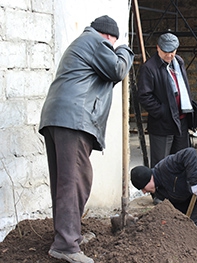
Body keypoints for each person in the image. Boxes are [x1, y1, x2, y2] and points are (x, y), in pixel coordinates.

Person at [39, 15, 134, 263]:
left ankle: (69, 236)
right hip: (72, 119)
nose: (112, 48)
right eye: (113, 44)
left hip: (59, 118)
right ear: (109, 37)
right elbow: (117, 69)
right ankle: (66, 246)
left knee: (66, 182)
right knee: (75, 182)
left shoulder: (83, 44)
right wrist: (125, 50)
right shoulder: (94, 41)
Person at [137, 33, 196, 204]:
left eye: (173, 51)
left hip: (181, 120)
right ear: (158, 48)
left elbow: (183, 86)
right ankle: (160, 197)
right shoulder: (150, 68)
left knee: (180, 159)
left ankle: (178, 195)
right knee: (161, 162)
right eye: (166, 51)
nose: (170, 55)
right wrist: (162, 111)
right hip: (162, 124)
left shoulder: (179, 62)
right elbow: (145, 96)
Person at [130, 147, 197, 230]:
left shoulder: (167, 166)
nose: (144, 192)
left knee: (196, 227)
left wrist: (194, 182)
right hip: (192, 194)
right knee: (187, 225)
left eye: (143, 188)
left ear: (149, 179)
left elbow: (189, 153)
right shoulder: (159, 191)